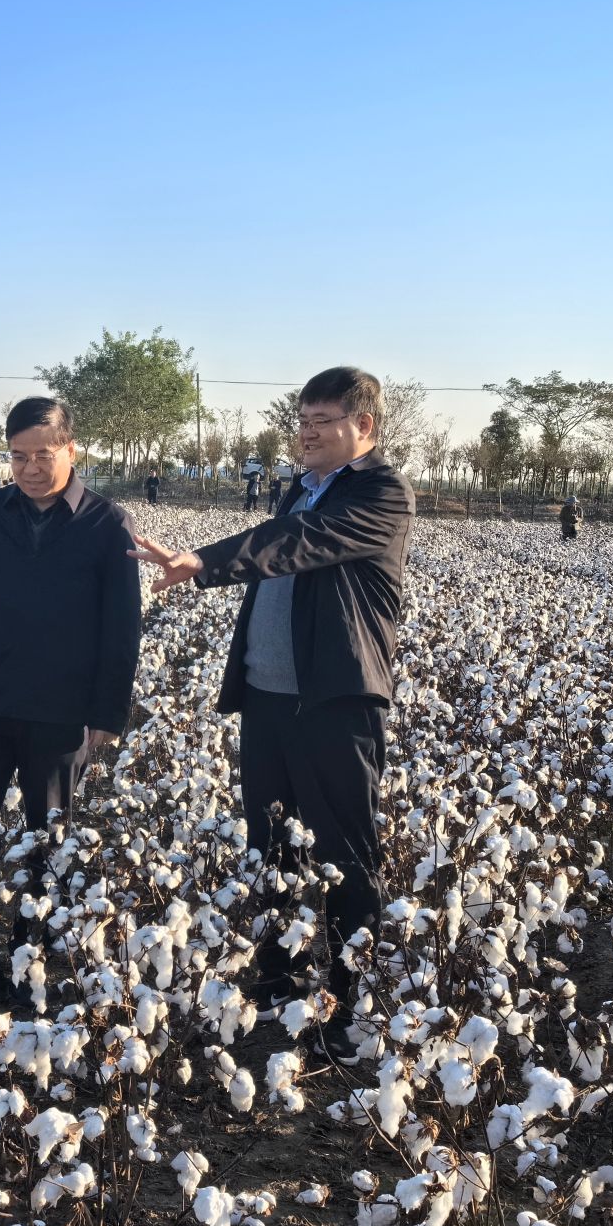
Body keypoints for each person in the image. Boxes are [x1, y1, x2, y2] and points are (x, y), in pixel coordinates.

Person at [130, 366, 414, 1037]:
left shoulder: (382, 491)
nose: (306, 434)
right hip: (268, 699)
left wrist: (205, 561)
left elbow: (299, 543)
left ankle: (351, 1000)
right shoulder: (302, 487)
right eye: (302, 421)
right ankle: (278, 977)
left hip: (335, 701)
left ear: (363, 425)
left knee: (345, 852)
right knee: (270, 844)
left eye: (321, 422)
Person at [0, 396, 142, 1008]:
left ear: (71, 450)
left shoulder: (108, 523)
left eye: (42, 455)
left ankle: (33, 960)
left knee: (47, 838)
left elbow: (122, 626)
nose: (28, 468)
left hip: (62, 710)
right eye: (17, 456)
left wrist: (107, 712)